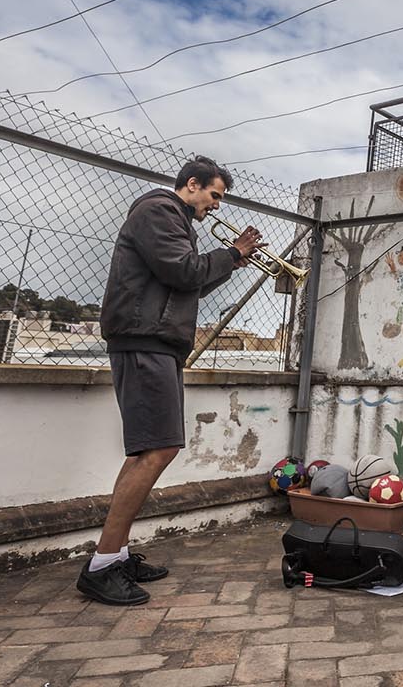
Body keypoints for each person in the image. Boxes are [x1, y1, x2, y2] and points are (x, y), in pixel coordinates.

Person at [77, 155, 262, 606]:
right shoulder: (158, 210)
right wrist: (232, 253)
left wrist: (230, 262)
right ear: (193, 184)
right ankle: (102, 564)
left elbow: (187, 283)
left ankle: (114, 554)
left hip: (155, 342)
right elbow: (183, 271)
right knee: (158, 449)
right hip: (145, 340)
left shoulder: (176, 221)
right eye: (214, 196)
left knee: (147, 449)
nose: (215, 206)